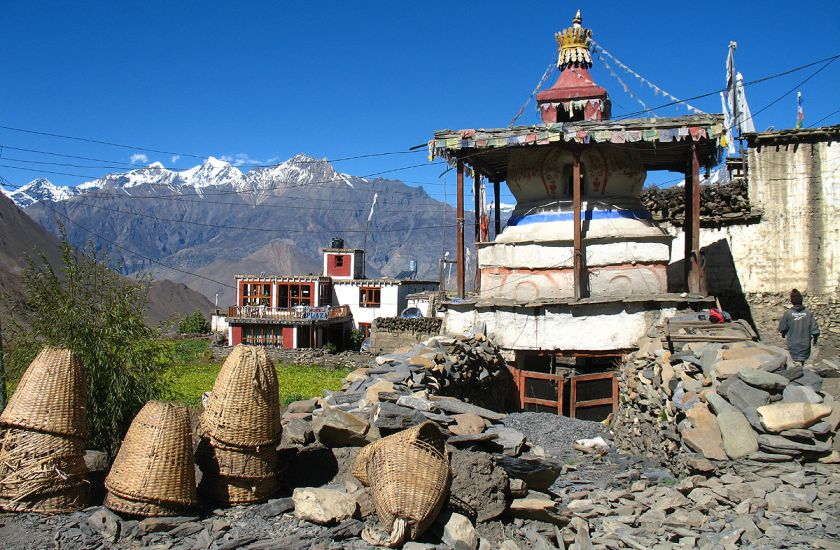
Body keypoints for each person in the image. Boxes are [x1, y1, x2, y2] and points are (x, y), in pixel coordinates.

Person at [778, 289, 820, 366]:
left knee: (795, 363)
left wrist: (783, 333)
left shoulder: (788, 313)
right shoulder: (808, 313)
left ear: (792, 301)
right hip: (805, 344)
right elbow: (815, 330)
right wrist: (815, 339)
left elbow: (782, 328)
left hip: (793, 344)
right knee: (801, 362)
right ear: (801, 300)